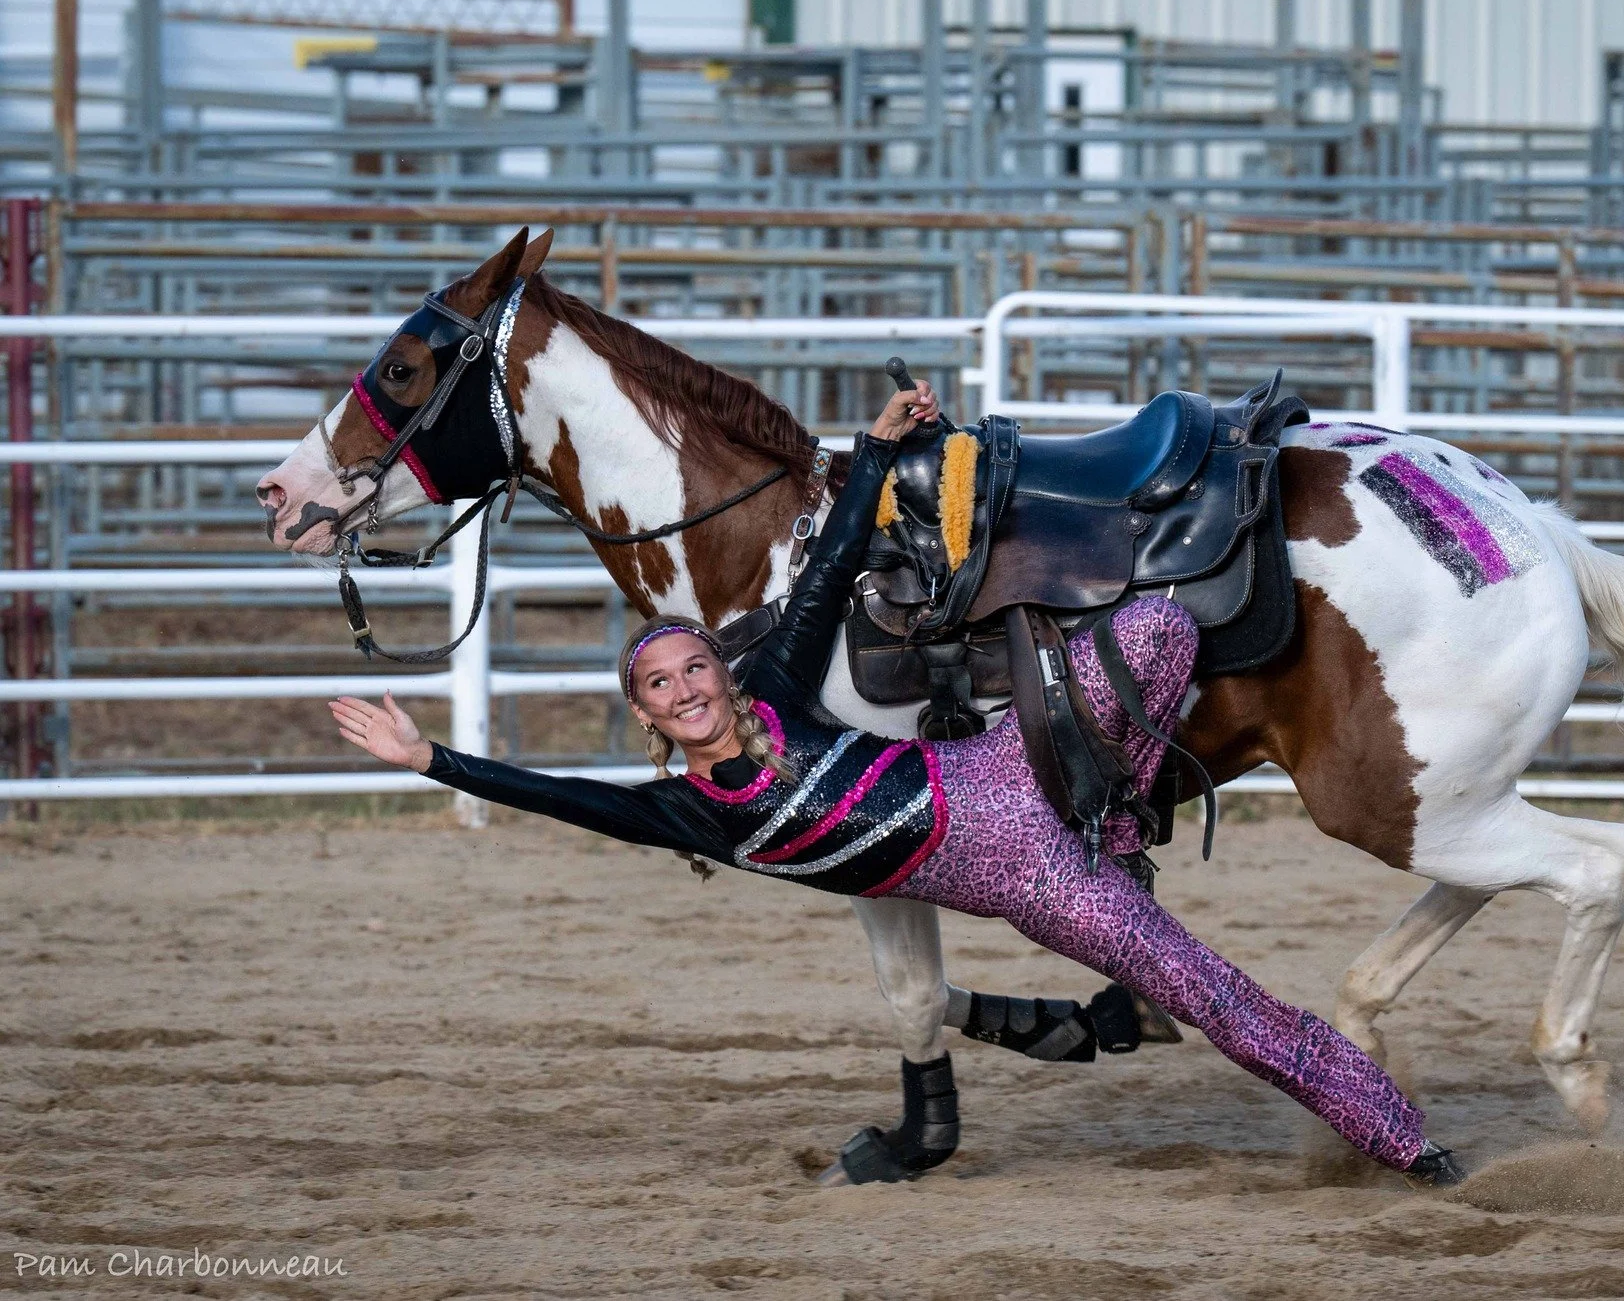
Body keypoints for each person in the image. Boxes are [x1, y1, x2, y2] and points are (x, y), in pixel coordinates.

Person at [330, 380, 1464, 1188]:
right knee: (1214, 998)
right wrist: (430, 759)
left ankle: (1112, 808)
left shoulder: (772, 681)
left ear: (717, 671)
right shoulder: (684, 813)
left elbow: (824, 568)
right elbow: (556, 797)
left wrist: (872, 449)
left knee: (1163, 623)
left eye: (693, 668)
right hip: (1024, 881)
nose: (687, 690)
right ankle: (1405, 1141)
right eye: (663, 685)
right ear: (647, 717)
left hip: (1010, 766)